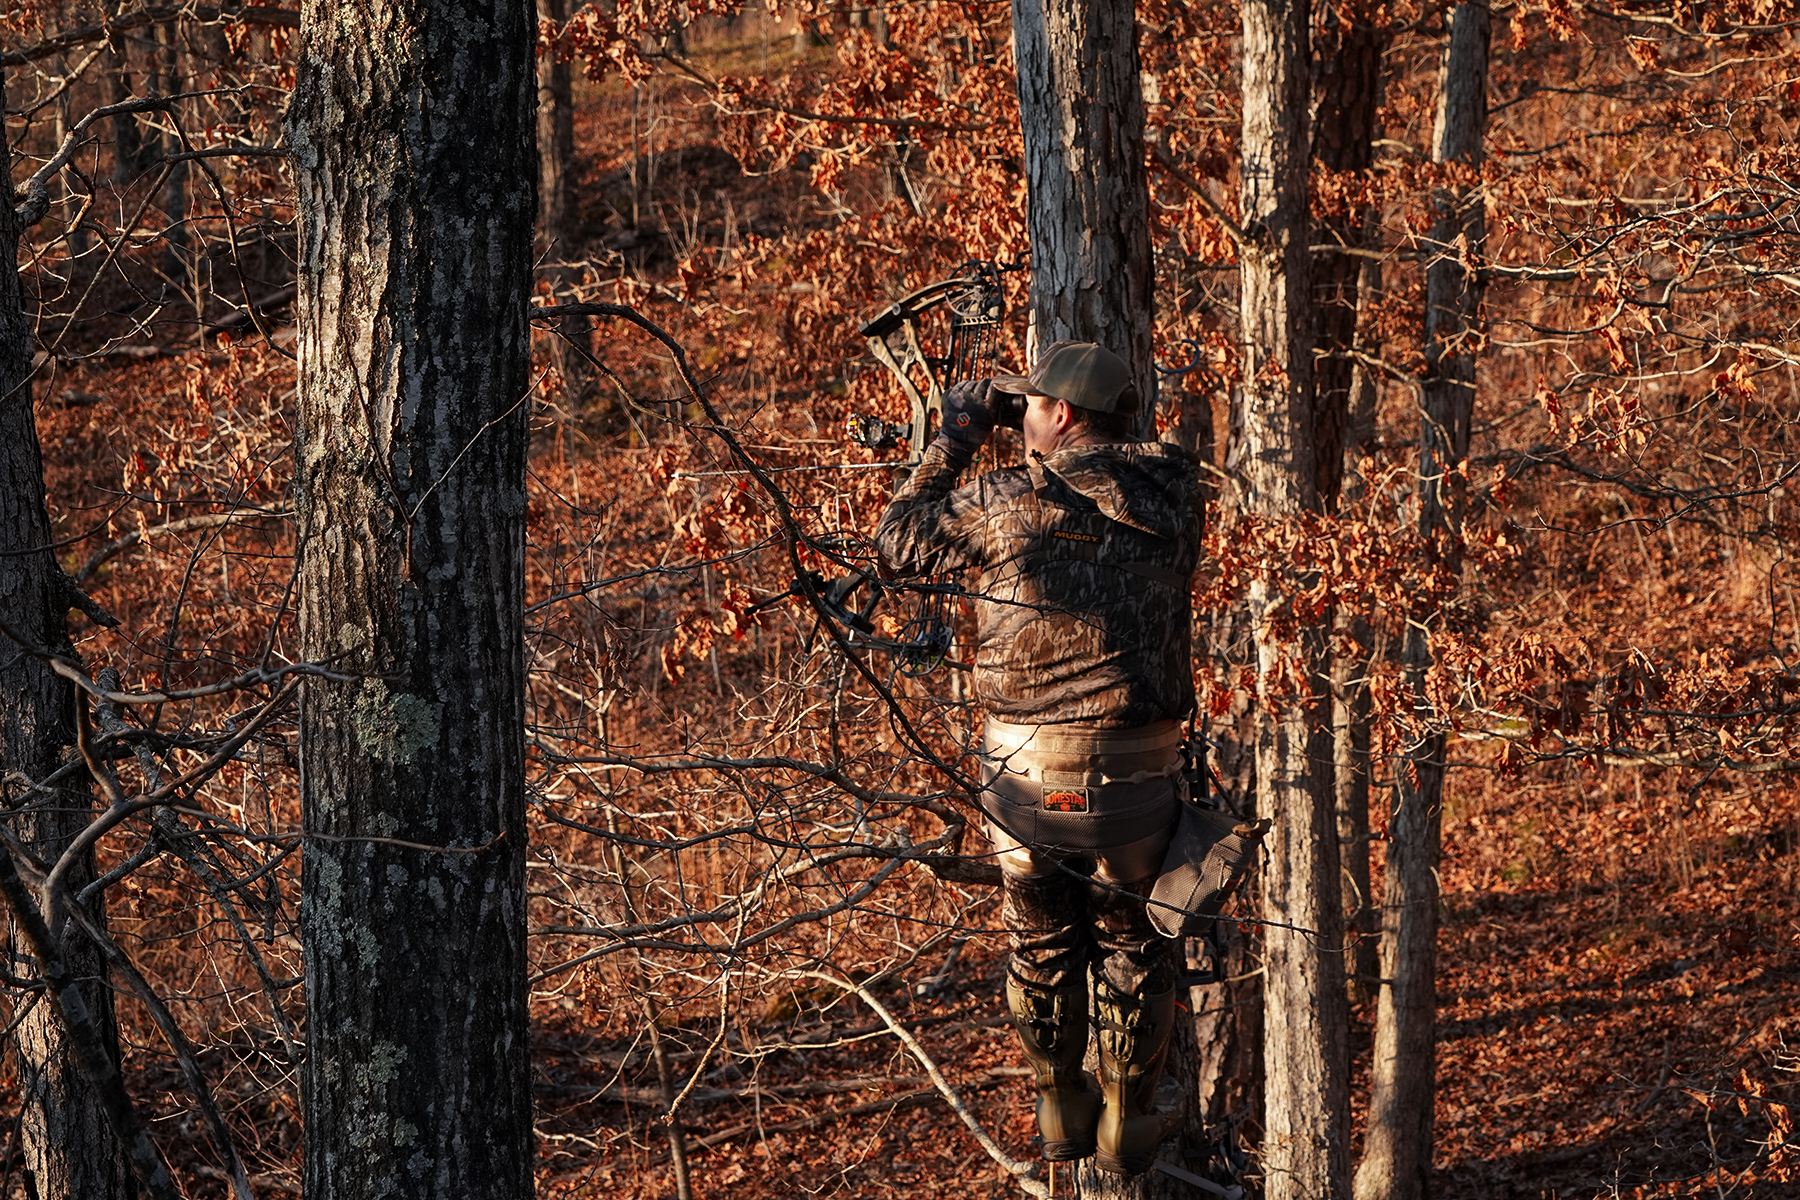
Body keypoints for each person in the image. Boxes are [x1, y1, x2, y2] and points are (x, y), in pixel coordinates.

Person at [874, 341, 1202, 1175]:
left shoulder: (1007, 502)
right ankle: (1128, 1122)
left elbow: (898, 542)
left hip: (1025, 778)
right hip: (1137, 780)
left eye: (1029, 407)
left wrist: (957, 435)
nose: (1020, 422)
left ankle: (1059, 1102)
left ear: (1060, 412)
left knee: (1042, 942)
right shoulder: (1178, 498)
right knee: (1135, 948)